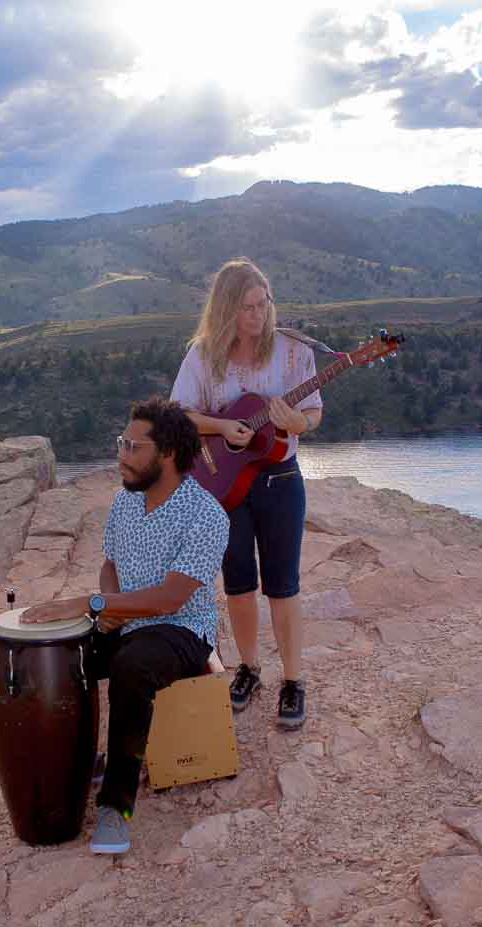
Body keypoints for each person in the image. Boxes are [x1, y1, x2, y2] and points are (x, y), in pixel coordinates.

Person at [21, 397, 229, 855]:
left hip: (181, 629)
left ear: (167, 454)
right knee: (60, 653)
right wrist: (107, 607)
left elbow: (171, 597)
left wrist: (94, 604)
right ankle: (77, 762)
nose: (121, 455)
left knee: (133, 667)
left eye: (133, 447)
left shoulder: (207, 515)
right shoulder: (125, 502)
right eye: (122, 443)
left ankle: (117, 806)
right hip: (126, 617)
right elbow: (110, 565)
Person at [170, 258, 322, 726]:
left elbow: (313, 414)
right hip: (223, 485)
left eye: (264, 303)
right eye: (247, 307)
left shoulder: (295, 352)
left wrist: (298, 423)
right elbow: (178, 413)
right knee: (237, 582)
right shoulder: (202, 354)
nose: (259, 315)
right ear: (226, 311)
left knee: (283, 584)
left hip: (281, 481)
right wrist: (223, 426)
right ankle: (249, 669)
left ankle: (293, 680)